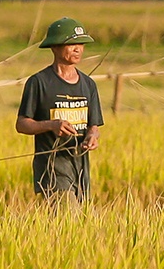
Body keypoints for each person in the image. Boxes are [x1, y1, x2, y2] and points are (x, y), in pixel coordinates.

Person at [15, 17, 103, 199]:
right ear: (54, 47)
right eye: (71, 44)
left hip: (81, 169)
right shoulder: (38, 82)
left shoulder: (89, 85)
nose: (78, 49)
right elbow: (22, 124)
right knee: (68, 215)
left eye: (81, 44)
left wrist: (92, 137)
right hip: (53, 169)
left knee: (84, 223)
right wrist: (51, 125)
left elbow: (93, 126)